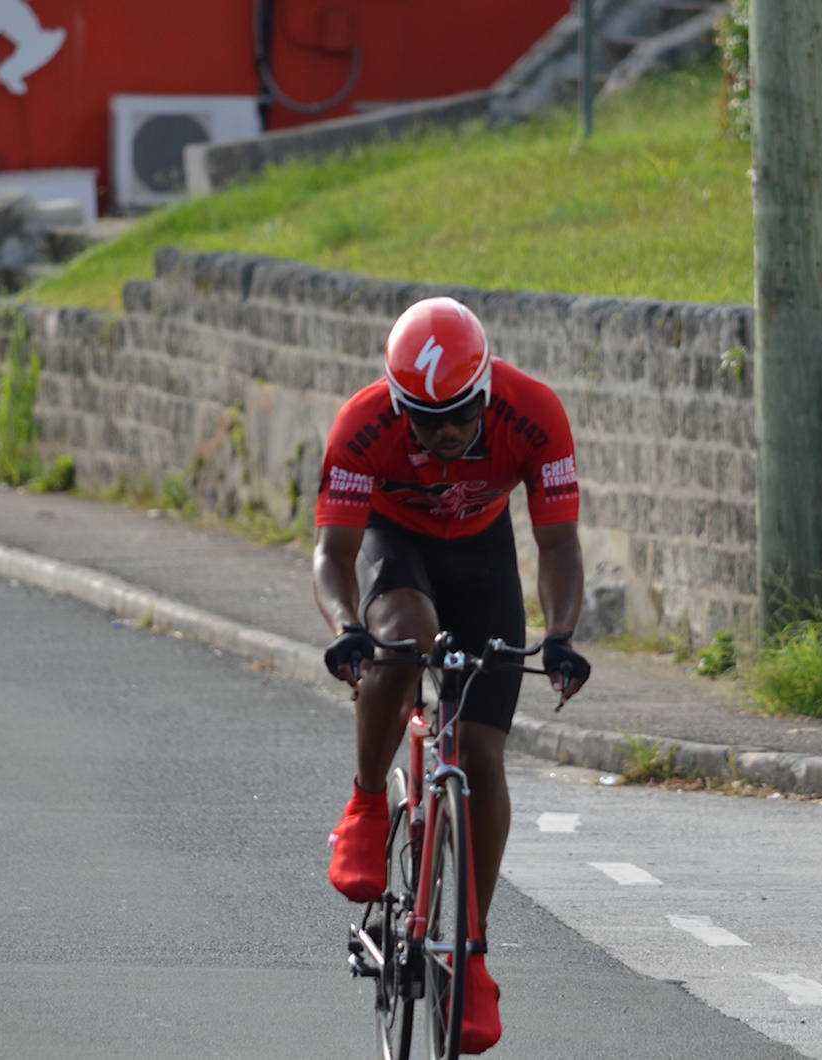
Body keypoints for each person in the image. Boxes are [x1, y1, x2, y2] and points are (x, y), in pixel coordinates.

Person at [311, 296, 591, 1053]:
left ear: (487, 392)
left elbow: (559, 545)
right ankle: (370, 807)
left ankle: (469, 949)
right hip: (394, 543)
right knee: (403, 639)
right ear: (399, 405)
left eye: (461, 417)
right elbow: (333, 556)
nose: (445, 435)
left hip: (481, 553)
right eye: (426, 422)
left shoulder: (533, 414)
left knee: (481, 753)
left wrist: (561, 636)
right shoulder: (363, 426)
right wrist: (347, 629)